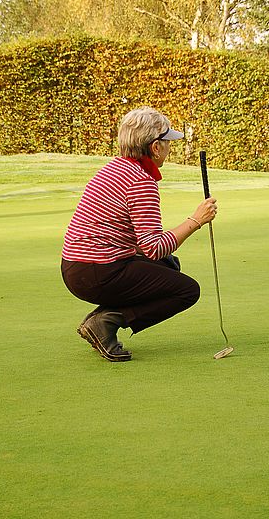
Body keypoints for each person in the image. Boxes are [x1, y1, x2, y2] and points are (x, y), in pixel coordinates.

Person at [61, 106, 217, 362]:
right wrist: (196, 220)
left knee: (168, 266)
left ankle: (101, 321)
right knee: (187, 290)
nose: (169, 147)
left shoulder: (115, 168)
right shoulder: (140, 180)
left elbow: (144, 247)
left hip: (79, 267)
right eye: (167, 142)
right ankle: (106, 322)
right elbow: (153, 247)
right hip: (97, 271)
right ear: (155, 147)